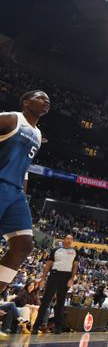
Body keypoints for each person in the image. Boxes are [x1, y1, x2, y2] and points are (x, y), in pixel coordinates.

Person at [0, 91, 49, 294]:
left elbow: (25, 166)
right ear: (26, 102)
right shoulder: (12, 118)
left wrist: (23, 195)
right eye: (41, 98)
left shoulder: (37, 134)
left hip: (16, 191)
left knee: (24, 246)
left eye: (48, 100)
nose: (46, 101)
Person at [31, 234, 79, 334]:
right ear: (64, 239)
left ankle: (58, 327)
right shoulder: (56, 250)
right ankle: (36, 327)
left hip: (66, 278)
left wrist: (71, 279)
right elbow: (48, 264)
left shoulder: (75, 251)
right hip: (54, 276)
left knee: (60, 304)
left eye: (71, 239)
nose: (69, 240)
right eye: (67, 238)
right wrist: (43, 278)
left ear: (72, 241)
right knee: (45, 302)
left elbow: (75, 267)